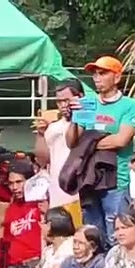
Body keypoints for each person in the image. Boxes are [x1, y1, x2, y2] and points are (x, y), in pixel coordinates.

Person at [66, 56, 135, 247]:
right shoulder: (87, 103)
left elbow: (121, 140)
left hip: (116, 181)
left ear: (117, 77)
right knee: (93, 237)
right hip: (88, 181)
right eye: (94, 74)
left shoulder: (131, 105)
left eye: (102, 73)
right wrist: (73, 118)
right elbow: (72, 142)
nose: (97, 78)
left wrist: (87, 142)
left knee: (117, 236)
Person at [35, 78, 86, 227]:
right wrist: (41, 134)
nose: (63, 105)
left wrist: (78, 114)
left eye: (67, 100)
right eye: (59, 101)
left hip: (79, 194)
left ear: (79, 97)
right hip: (57, 194)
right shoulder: (53, 127)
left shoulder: (87, 122)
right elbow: (43, 160)